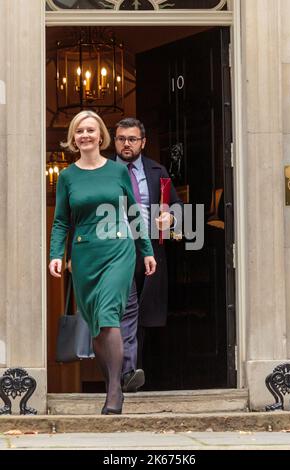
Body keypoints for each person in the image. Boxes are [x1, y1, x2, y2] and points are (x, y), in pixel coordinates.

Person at [49, 110, 156, 415]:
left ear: (100, 136)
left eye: (90, 130)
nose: (85, 135)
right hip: (85, 256)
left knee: (109, 316)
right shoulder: (68, 177)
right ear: (73, 138)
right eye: (79, 131)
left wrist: (146, 250)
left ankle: (114, 393)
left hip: (118, 250)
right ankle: (113, 383)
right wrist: (57, 255)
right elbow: (60, 222)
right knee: (97, 326)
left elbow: (134, 212)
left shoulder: (117, 172)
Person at [113, 118, 183, 392]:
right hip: (115, 251)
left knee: (140, 316)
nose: (126, 144)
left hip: (149, 253)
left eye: (132, 139)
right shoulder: (104, 170)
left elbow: (177, 206)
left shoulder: (157, 171)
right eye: (121, 138)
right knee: (118, 313)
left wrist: (171, 218)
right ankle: (122, 376)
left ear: (143, 142)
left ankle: (132, 376)